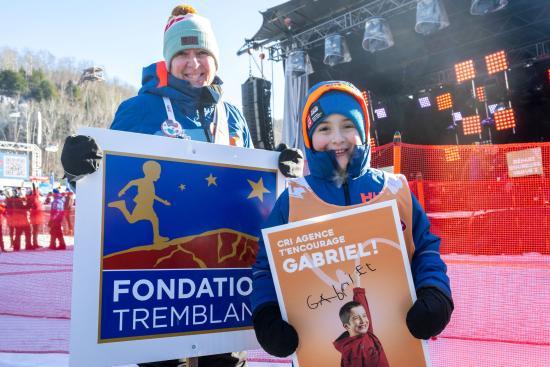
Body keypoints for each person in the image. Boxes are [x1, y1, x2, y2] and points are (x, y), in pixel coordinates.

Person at [60, 5, 301, 367]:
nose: (193, 63)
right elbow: (102, 181)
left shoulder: (232, 116)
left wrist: (280, 169)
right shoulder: (140, 109)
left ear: (215, 59)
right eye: (182, 54)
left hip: (223, 279)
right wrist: (78, 170)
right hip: (158, 287)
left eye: (202, 52)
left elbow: (252, 192)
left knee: (224, 360)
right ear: (168, 61)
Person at [250, 81, 454, 358]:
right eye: (324, 128)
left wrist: (435, 292)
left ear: (364, 131)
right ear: (309, 138)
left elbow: (425, 250)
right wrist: (267, 313)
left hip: (400, 344)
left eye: (348, 125)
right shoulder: (293, 199)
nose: (337, 138)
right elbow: (266, 267)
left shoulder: (395, 190)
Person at [334, 272, 388, 367]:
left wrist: (358, 287)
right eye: (356, 318)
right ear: (347, 326)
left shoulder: (368, 334)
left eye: (364, 316)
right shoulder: (351, 351)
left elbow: (363, 307)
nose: (363, 321)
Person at [29, 184, 46, 249]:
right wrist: (34, 187)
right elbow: (35, 193)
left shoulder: (35, 199)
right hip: (35, 218)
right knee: (35, 231)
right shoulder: (35, 199)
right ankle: (35, 244)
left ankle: (35, 243)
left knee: (35, 231)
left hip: (36, 218)